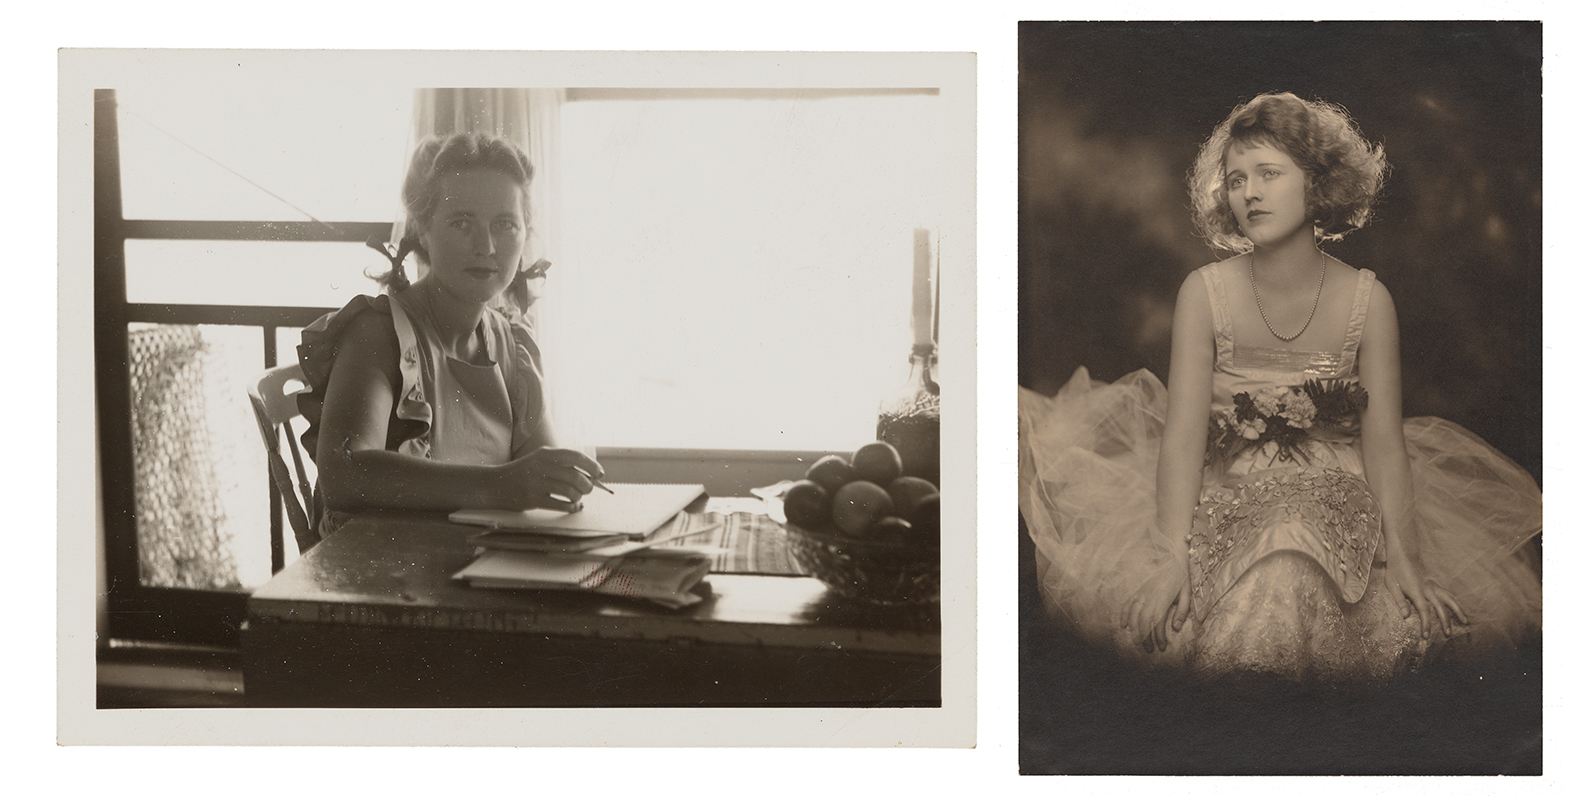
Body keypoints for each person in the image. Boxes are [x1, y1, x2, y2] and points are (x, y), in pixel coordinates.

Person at [1018, 93, 1541, 680]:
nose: (1250, 193)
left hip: (1346, 497)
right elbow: (1185, 437)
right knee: (1250, 581)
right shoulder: (1204, 292)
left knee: (1347, 588)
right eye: (1236, 179)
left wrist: (1408, 559)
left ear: (1318, 184)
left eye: (1269, 173)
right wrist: (1170, 559)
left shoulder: (1370, 301)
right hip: (1228, 492)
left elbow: (1385, 445)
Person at [297, 132, 602, 539]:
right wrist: (505, 486)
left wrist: (562, 478)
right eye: (462, 222)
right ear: (423, 230)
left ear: (525, 235)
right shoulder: (381, 332)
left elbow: (542, 471)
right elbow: (344, 474)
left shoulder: (513, 343)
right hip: (386, 569)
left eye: (505, 224)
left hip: (476, 560)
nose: (487, 246)